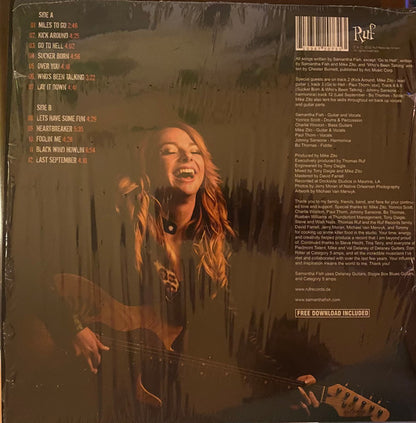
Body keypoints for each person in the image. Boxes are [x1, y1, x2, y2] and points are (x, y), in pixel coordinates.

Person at [60, 123, 319, 419]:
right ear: (148, 168)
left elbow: (236, 339)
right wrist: (73, 327)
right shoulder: (121, 223)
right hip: (81, 380)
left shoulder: (210, 251)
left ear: (204, 168)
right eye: (169, 151)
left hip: (135, 392)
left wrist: (283, 383)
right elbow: (42, 276)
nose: (186, 157)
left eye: (195, 151)